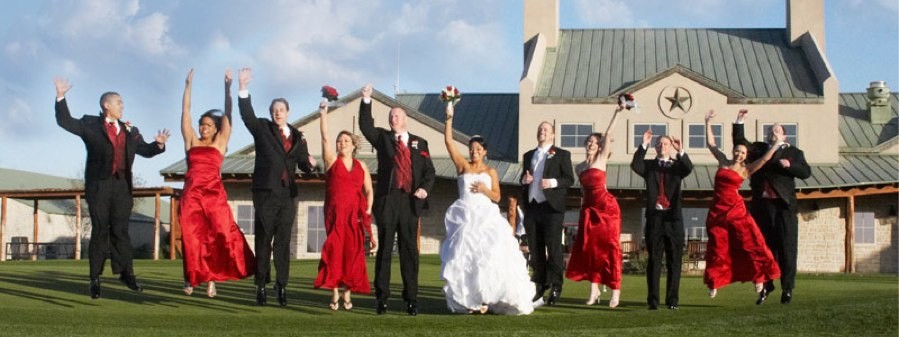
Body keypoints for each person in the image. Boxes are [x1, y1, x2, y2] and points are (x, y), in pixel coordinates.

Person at [54, 78, 170, 299]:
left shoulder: (130, 130)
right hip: (99, 185)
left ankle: (127, 274)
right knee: (100, 231)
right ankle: (94, 278)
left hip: (122, 188)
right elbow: (65, 121)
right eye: (119, 103)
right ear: (106, 105)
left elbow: (145, 150)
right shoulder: (89, 124)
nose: (122, 106)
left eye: (122, 103)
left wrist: (159, 145)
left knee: (120, 232)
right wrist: (61, 96)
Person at [439, 103, 536, 315]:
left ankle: (487, 298)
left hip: (485, 216)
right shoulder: (462, 166)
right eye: (471, 149)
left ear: (485, 152)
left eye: (478, 149)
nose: (474, 152)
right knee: (464, 256)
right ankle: (468, 299)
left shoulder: (491, 171)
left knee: (488, 256)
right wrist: (449, 118)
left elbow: (498, 196)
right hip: (465, 216)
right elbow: (448, 141)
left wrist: (483, 189)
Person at [237, 68, 316, 306]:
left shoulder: (298, 136)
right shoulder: (262, 128)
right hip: (265, 194)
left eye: (281, 110)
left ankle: (281, 286)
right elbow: (247, 115)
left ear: (288, 112)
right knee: (264, 242)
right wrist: (242, 88)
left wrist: (312, 164)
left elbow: (304, 164)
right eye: (274, 110)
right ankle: (261, 286)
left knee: (283, 243)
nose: (277, 113)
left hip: (286, 196)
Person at [358, 84, 436, 316]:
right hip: (388, 201)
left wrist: (424, 189)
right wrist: (366, 100)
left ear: (405, 119)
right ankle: (381, 298)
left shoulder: (420, 143)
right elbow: (365, 126)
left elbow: (429, 172)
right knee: (384, 252)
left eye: (397, 116)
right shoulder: (382, 138)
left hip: (410, 202)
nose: (393, 119)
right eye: (390, 116)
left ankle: (411, 299)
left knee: (409, 251)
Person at [179, 69, 255, 298]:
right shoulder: (191, 141)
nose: (203, 128)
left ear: (215, 128)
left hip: (213, 196)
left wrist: (227, 88)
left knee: (218, 234)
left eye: (208, 125)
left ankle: (212, 278)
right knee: (192, 238)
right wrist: (187, 85)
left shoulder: (220, 143)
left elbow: (229, 115)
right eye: (202, 124)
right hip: (192, 195)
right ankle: (192, 278)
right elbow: (185, 112)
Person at [703, 110, 782, 303]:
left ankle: (759, 278)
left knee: (750, 244)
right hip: (717, 212)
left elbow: (763, 160)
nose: (739, 154)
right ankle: (715, 282)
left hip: (736, 211)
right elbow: (711, 144)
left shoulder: (746, 169)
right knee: (718, 248)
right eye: (737, 151)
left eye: (743, 152)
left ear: (746, 155)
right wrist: (707, 122)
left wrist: (776, 145)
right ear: (733, 151)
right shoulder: (723, 161)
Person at [732, 109, 811, 304]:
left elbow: (806, 172)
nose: (772, 132)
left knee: (787, 248)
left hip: (784, 206)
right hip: (762, 206)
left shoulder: (794, 152)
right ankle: (766, 287)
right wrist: (739, 120)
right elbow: (740, 142)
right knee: (763, 248)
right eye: (770, 130)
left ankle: (787, 288)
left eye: (777, 130)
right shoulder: (759, 149)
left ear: (784, 135)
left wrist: (788, 164)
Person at [313, 98, 377, 311]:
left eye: (345, 141)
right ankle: (334, 294)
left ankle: (347, 294)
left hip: (354, 216)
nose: (341, 144)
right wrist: (323, 113)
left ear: (353, 145)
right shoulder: (332, 160)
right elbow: (324, 137)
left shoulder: (362, 166)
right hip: (335, 214)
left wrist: (367, 209)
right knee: (334, 252)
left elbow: (369, 191)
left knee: (352, 254)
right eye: (339, 141)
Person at [565, 103, 625, 308]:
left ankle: (615, 292)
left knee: (610, 249)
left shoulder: (601, 159)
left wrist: (617, 112)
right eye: (588, 141)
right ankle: (594, 289)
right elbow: (583, 192)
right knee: (590, 250)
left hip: (607, 210)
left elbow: (608, 134)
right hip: (589, 211)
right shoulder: (579, 167)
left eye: (594, 141)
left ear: (599, 146)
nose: (591, 144)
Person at [630, 130, 693, 310]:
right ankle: (653, 301)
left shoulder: (677, 166)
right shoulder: (649, 166)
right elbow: (635, 165)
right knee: (654, 260)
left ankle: (672, 300)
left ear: (670, 147)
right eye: (658, 144)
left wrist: (681, 151)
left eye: (665, 144)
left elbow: (689, 168)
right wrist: (643, 145)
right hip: (655, 218)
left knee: (675, 260)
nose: (661, 146)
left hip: (673, 219)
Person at [520, 121, 574, 306]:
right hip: (533, 206)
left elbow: (569, 179)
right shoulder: (528, 155)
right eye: (539, 129)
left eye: (545, 130)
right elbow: (524, 178)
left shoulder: (561, 154)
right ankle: (540, 284)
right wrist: (524, 179)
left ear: (552, 135)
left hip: (551, 207)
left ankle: (557, 285)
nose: (541, 131)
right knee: (535, 249)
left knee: (553, 248)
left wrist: (551, 182)